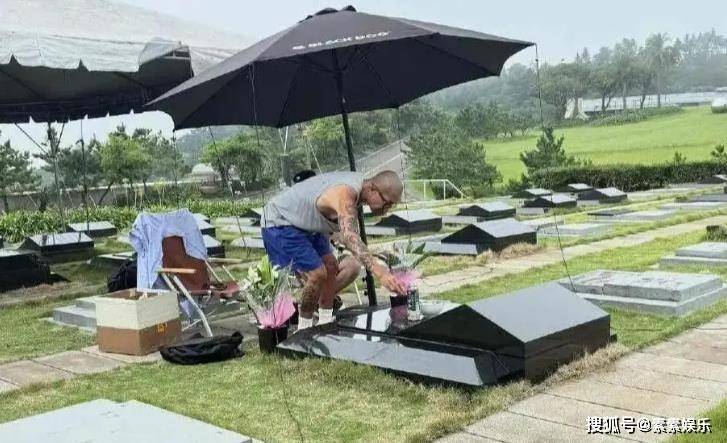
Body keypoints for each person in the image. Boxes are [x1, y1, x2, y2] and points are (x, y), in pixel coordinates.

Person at [261, 170, 407, 330]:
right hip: (281, 221)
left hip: (307, 225)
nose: (387, 208)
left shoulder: (359, 189)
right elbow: (350, 237)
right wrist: (381, 273)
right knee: (317, 274)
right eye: (387, 202)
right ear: (372, 189)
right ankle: (304, 328)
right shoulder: (346, 193)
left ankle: (325, 320)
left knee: (331, 266)